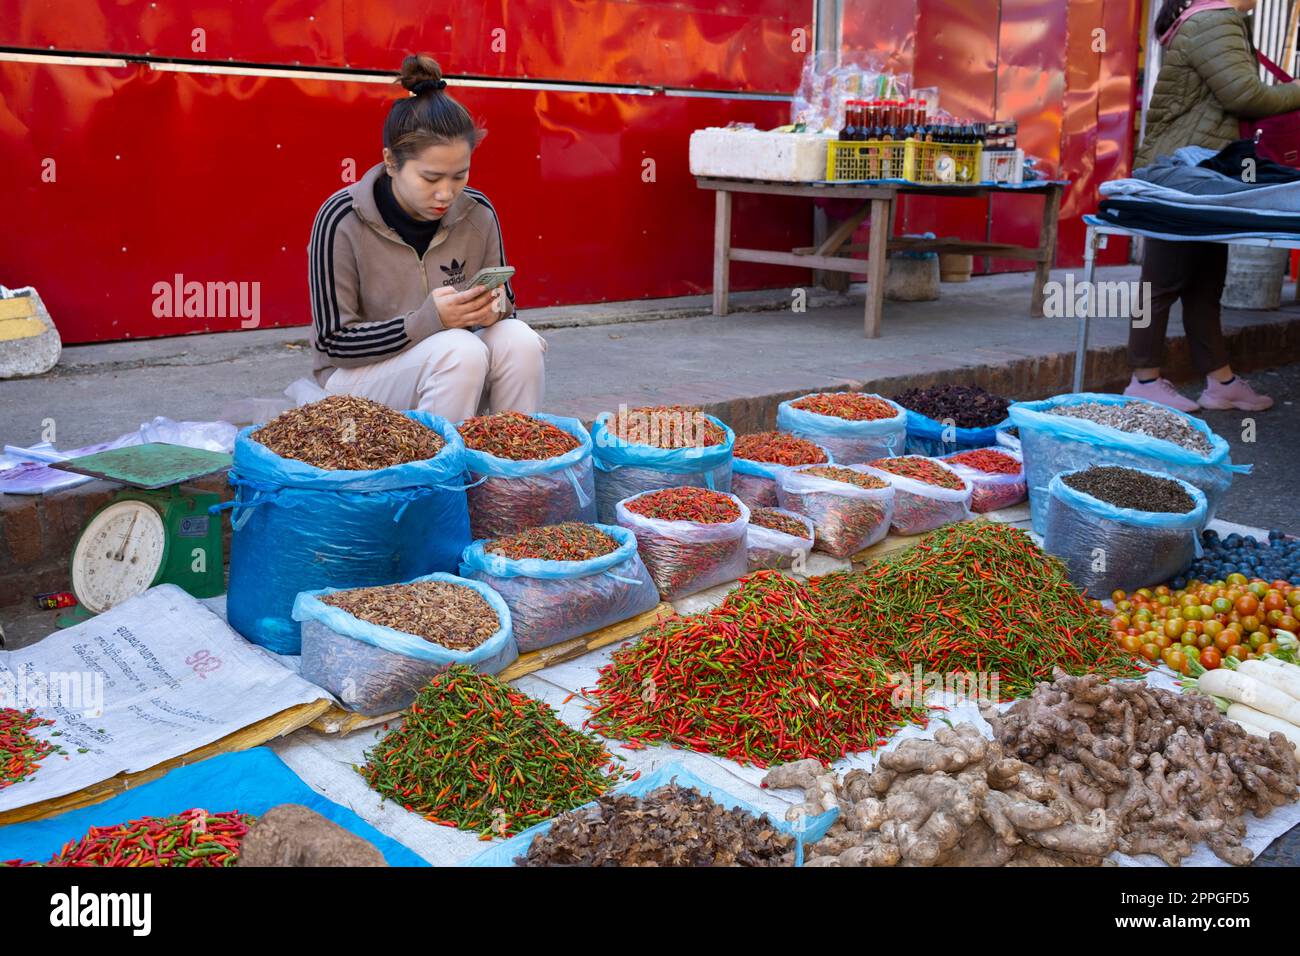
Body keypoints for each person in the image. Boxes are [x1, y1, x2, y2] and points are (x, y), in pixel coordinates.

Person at [307, 54, 545, 422]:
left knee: (520, 340)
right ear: (391, 162)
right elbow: (332, 342)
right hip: (356, 382)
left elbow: (506, 304)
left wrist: (492, 308)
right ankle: (436, 472)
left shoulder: (477, 212)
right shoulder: (341, 218)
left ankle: (507, 471)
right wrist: (427, 320)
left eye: (459, 176)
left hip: (453, 371)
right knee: (458, 349)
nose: (446, 193)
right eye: (431, 179)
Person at [1125, 0, 1300, 412]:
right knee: (1162, 281)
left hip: (1204, 170)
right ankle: (1143, 380)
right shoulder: (1214, 20)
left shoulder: (1215, 19)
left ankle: (1220, 381)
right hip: (1179, 172)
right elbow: (1244, 95)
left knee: (1204, 283)